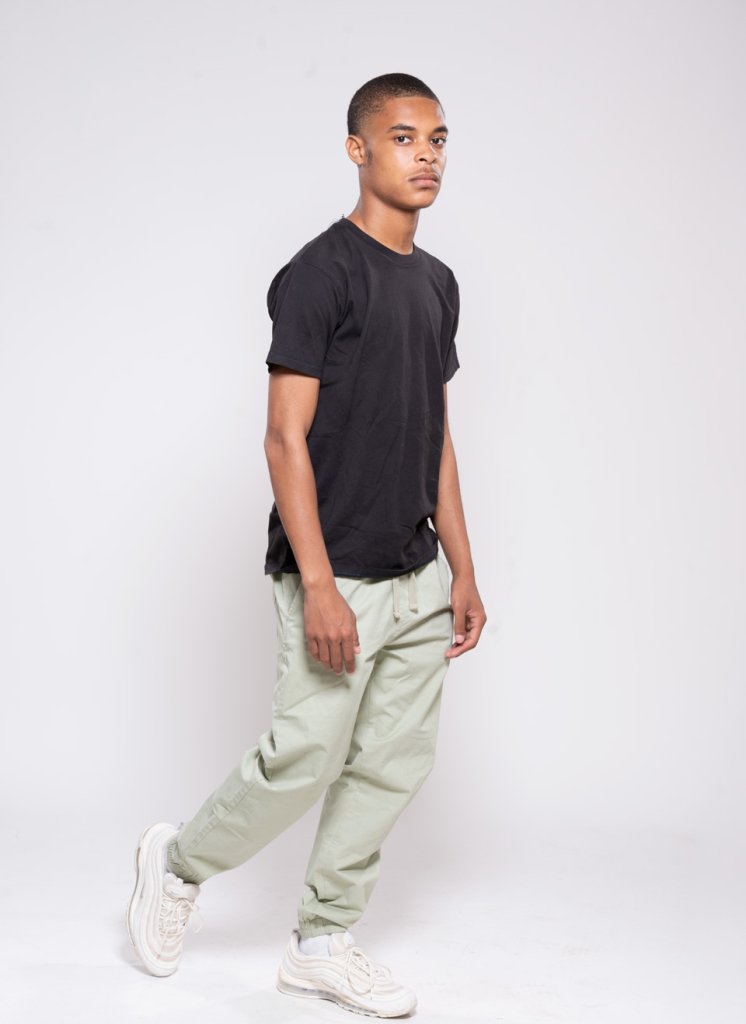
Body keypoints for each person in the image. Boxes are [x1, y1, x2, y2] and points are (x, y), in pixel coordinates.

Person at [126, 71, 486, 1019]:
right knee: (305, 753)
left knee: (394, 763)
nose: (427, 156)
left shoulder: (439, 284)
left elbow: (437, 434)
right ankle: (178, 863)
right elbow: (284, 439)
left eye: (438, 139)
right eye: (404, 137)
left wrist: (463, 567)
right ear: (358, 150)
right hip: (335, 568)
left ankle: (322, 939)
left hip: (416, 569)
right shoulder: (320, 273)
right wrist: (319, 584)